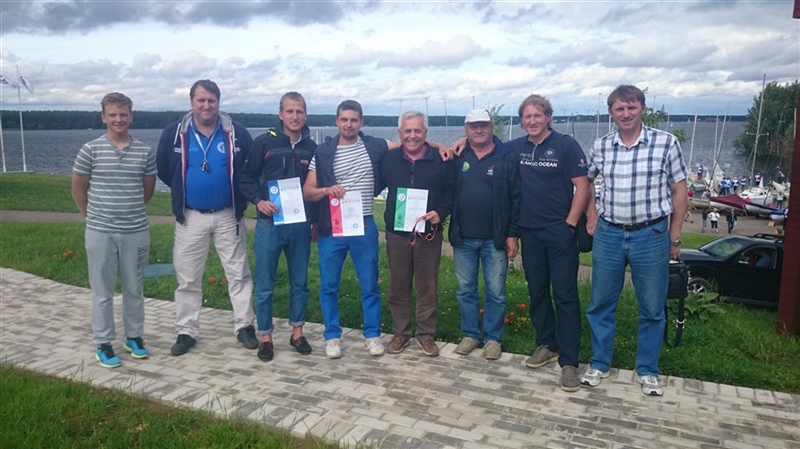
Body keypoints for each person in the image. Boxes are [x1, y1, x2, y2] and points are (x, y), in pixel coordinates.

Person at [582, 85, 688, 397]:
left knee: (652, 306)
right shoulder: (601, 146)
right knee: (601, 303)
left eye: (631, 107)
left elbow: (679, 190)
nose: (625, 114)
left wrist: (675, 235)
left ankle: (648, 369)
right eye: (619, 108)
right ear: (611, 112)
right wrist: (591, 215)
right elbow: (586, 181)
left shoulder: (666, 143)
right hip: (609, 233)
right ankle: (599, 362)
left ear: (642, 108)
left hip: (651, 234)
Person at [156, 79, 258, 356]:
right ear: (192, 102)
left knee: (239, 274)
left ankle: (245, 326)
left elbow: (249, 168)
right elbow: (165, 169)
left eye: (211, 100)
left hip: (228, 215)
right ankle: (186, 331)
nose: (206, 105)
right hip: (191, 216)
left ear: (218, 103)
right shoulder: (174, 133)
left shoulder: (235, 132)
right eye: (201, 100)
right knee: (187, 277)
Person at [507, 95, 590, 393]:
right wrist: (456, 143)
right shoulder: (516, 148)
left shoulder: (565, 146)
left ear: (548, 117)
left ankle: (569, 361)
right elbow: (484, 145)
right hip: (529, 232)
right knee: (538, 291)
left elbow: (582, 186)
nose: (532, 121)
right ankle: (547, 343)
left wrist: (570, 224)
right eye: (527, 117)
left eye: (537, 116)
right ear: (522, 121)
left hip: (559, 231)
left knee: (565, 295)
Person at [72, 92, 156, 368]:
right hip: (100, 232)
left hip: (135, 231)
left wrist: (127, 212)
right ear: (103, 117)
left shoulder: (144, 151)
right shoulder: (90, 150)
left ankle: (134, 337)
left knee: (134, 287)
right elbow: (78, 190)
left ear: (131, 116)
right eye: (113, 115)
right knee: (102, 290)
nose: (118, 119)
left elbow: (147, 191)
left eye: (123, 114)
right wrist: (95, 217)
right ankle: (104, 343)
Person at [302, 100, 389, 359]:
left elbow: (409, 144)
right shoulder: (323, 152)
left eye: (353, 119)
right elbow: (307, 191)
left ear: (361, 122)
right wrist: (326, 190)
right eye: (344, 119)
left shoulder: (374, 145)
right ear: (336, 121)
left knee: (370, 284)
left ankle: (372, 334)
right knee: (329, 285)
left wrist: (442, 146)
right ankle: (332, 336)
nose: (348, 124)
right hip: (333, 227)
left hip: (364, 224)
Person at [238, 92, 316, 362]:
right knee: (265, 284)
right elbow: (245, 177)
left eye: (299, 111)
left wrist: (316, 221)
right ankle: (266, 336)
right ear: (280, 114)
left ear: (305, 115)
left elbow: (315, 187)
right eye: (290, 111)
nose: (295, 116)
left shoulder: (311, 148)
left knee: (300, 283)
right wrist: (258, 201)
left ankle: (297, 333)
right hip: (269, 224)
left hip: (300, 225)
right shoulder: (264, 143)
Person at [379, 111, 455, 357]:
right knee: (398, 284)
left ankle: (425, 334)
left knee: (428, 285)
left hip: (428, 233)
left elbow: (451, 193)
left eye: (418, 130)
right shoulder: (388, 159)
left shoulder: (441, 159)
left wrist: (440, 213)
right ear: (400, 133)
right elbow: (374, 186)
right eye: (408, 131)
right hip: (397, 234)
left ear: (426, 133)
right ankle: (400, 333)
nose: (412, 135)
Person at [449, 109, 520, 361]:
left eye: (483, 125)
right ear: (466, 129)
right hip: (463, 236)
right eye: (473, 126)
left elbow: (516, 198)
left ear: (491, 127)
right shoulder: (458, 155)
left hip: (495, 238)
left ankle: (493, 339)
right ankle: (470, 335)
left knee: (496, 292)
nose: (478, 130)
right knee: (465, 289)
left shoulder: (506, 156)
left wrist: (512, 234)